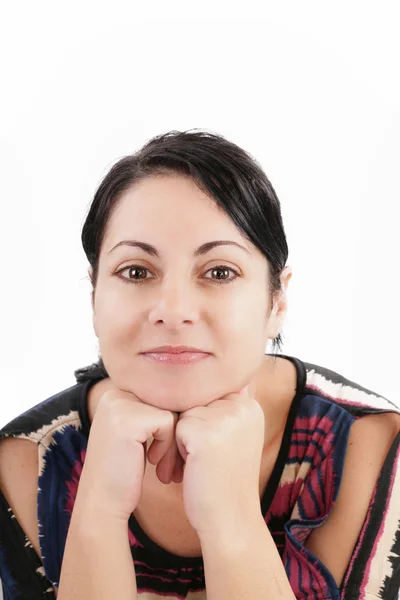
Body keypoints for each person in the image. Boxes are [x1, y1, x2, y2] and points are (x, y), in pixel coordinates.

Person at [0, 129, 399, 600]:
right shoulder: (28, 462)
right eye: (136, 271)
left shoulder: (365, 448)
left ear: (276, 300)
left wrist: (231, 520)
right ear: (94, 295)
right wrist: (98, 515)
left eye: (219, 272)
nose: (173, 309)